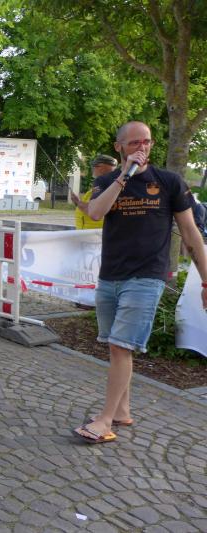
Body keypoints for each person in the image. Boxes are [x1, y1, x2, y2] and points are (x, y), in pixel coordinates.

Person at [72, 121, 207, 444]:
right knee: (115, 345)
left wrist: (206, 280)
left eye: (146, 142)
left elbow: (190, 234)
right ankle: (122, 411)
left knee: (122, 345)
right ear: (119, 146)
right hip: (111, 275)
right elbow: (95, 213)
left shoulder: (169, 182)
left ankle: (105, 421)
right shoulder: (106, 181)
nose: (141, 148)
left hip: (147, 276)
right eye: (133, 143)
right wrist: (123, 177)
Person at [71, 154, 117, 230]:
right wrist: (78, 203)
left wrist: (78, 202)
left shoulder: (107, 186)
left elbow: (95, 210)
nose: (93, 168)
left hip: (94, 234)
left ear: (101, 167)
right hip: (88, 232)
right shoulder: (102, 185)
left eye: (95, 166)